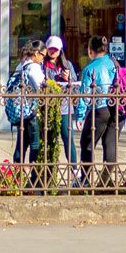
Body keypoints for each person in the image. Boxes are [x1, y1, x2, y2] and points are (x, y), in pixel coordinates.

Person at [77, 34, 119, 182]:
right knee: (110, 144)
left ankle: (86, 180)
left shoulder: (90, 68)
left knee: (87, 143)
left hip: (100, 108)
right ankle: (106, 181)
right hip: (116, 108)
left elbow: (85, 94)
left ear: (90, 50)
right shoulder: (113, 63)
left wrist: (80, 115)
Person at [4, 40, 47, 165]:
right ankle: (35, 175)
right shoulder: (34, 67)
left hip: (19, 109)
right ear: (36, 53)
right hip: (30, 110)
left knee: (21, 143)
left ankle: (18, 174)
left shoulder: (21, 65)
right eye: (42, 55)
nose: (43, 59)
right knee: (35, 144)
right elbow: (41, 86)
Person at [41, 35, 79, 175]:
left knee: (67, 137)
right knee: (49, 139)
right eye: (50, 49)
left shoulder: (67, 65)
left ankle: (75, 169)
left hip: (64, 106)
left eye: (55, 50)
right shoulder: (42, 65)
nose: (53, 52)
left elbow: (75, 85)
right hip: (48, 106)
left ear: (60, 50)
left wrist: (68, 78)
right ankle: (48, 170)